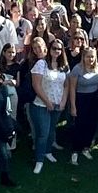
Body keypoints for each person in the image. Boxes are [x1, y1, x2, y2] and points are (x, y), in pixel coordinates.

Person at [30, 37, 68, 174]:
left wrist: (63, 101)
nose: (56, 51)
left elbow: (66, 85)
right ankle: (39, 160)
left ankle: (48, 151)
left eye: (59, 49)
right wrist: (47, 102)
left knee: (52, 130)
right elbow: (36, 85)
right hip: (41, 105)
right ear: (49, 49)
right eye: (54, 48)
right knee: (43, 133)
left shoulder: (64, 66)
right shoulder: (41, 64)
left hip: (57, 105)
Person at [68, 46, 98, 165]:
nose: (90, 59)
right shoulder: (77, 69)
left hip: (94, 100)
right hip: (81, 99)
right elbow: (72, 88)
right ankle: (75, 151)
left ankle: (86, 147)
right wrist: (73, 106)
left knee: (92, 125)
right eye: (88, 56)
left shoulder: (97, 68)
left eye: (92, 56)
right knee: (79, 125)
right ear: (83, 57)